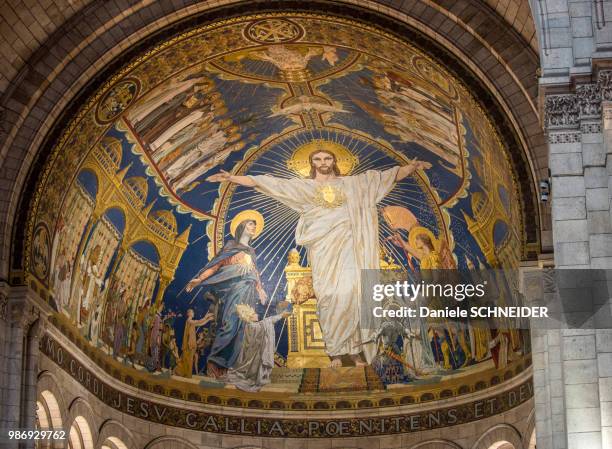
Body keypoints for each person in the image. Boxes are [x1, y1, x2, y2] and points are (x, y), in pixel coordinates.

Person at [207, 147, 430, 367]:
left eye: (327, 158)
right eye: (317, 158)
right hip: (323, 249)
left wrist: (411, 167)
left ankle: (353, 352)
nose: (323, 162)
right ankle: (335, 353)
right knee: (329, 295)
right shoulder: (305, 188)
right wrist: (232, 178)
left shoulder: (354, 184)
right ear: (312, 164)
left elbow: (387, 177)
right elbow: (268, 183)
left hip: (350, 246)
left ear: (334, 161)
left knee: (354, 292)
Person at [185, 213, 267, 378]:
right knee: (230, 325)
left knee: (242, 329)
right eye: (251, 224)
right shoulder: (231, 245)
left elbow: (254, 271)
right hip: (233, 289)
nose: (254, 227)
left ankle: (228, 367)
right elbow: (216, 265)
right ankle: (215, 363)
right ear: (242, 226)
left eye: (255, 226)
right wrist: (200, 278)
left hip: (248, 290)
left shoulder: (251, 251)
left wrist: (260, 289)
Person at [226, 304, 290, 392]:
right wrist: (281, 315)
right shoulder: (253, 326)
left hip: (252, 355)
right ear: (250, 316)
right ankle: (257, 378)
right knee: (256, 372)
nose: (257, 315)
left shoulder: (249, 326)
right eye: (254, 314)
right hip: (256, 356)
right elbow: (268, 321)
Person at [174, 309, 215, 377]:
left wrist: (208, 319)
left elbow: (200, 323)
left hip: (191, 344)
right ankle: (185, 374)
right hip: (188, 345)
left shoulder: (191, 322)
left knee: (189, 360)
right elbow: (198, 321)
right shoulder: (189, 320)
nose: (193, 313)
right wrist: (206, 317)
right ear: (189, 313)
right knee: (188, 360)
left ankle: (186, 373)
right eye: (192, 312)